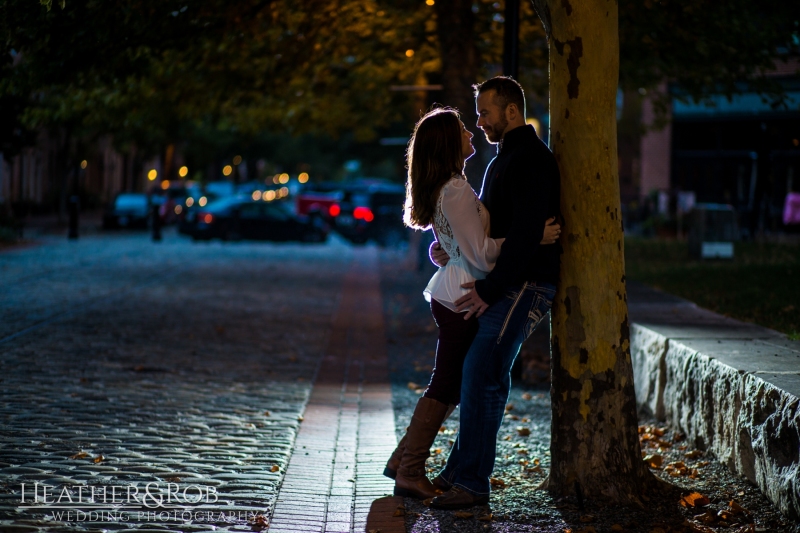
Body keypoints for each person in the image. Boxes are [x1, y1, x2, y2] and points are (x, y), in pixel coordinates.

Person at [383, 106, 561, 500]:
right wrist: (531, 238)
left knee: (452, 384)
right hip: (463, 296)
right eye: (463, 127)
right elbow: (480, 255)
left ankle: (403, 460)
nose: (471, 130)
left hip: (454, 292)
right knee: (448, 384)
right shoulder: (456, 188)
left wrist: (446, 248)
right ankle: (409, 469)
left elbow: (458, 242)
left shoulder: (451, 185)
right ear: (448, 141)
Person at [427, 77, 562, 510]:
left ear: (511, 111)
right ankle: (457, 472)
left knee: (482, 374)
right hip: (508, 280)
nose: (480, 121)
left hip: (527, 283)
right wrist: (448, 247)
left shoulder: (531, 160)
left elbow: (524, 235)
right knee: (480, 373)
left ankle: (471, 484)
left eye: (485, 112)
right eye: (479, 113)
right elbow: (488, 231)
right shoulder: (501, 161)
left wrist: (489, 288)